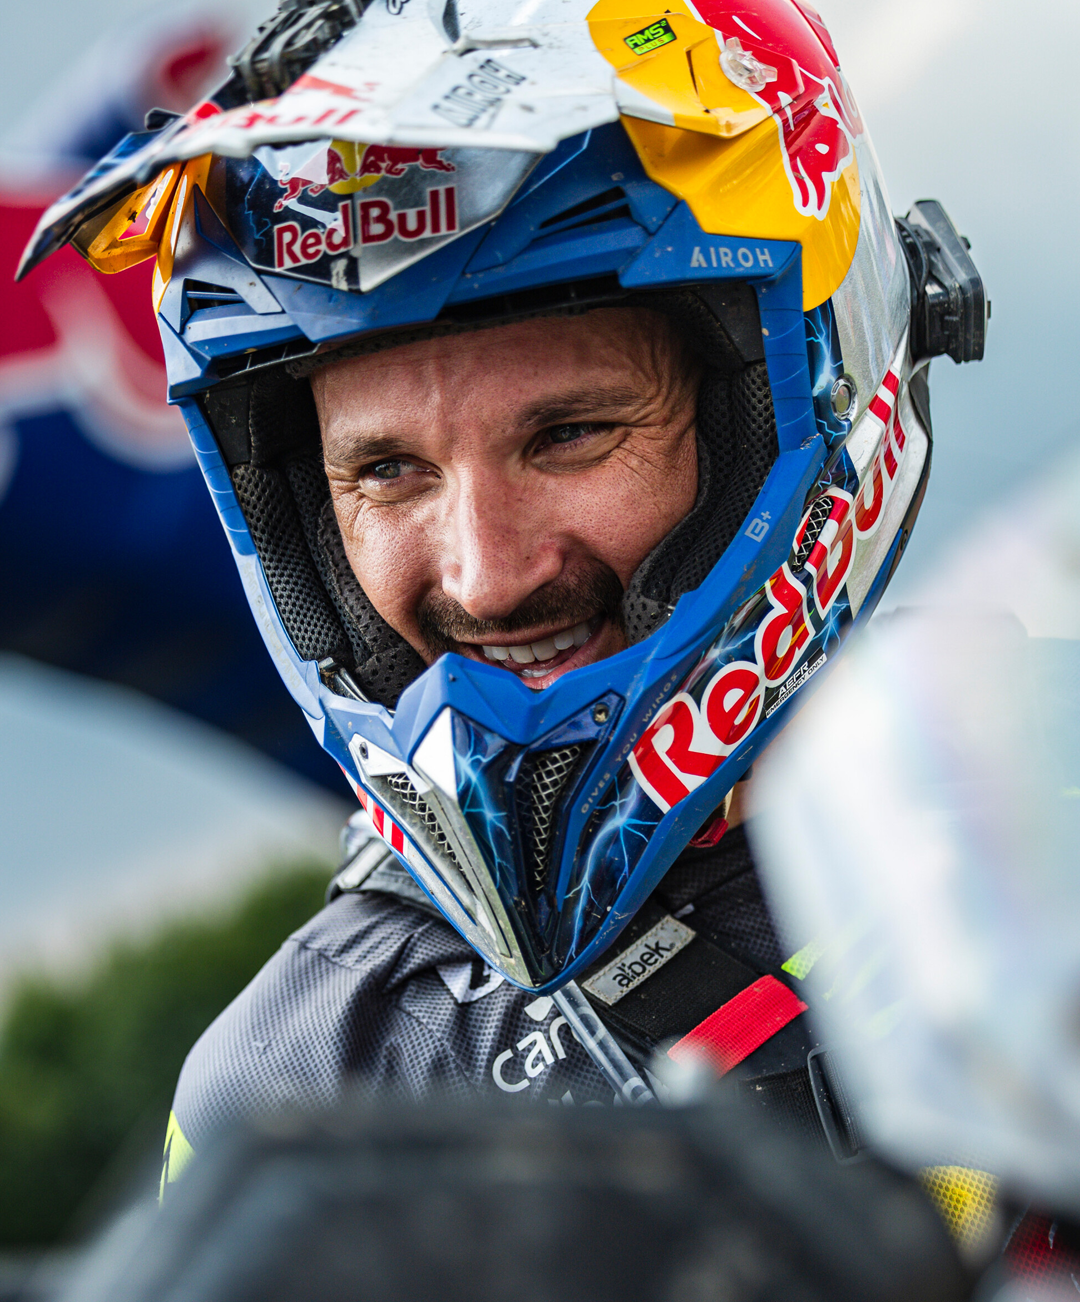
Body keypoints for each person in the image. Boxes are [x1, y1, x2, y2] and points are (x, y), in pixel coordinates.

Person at [18, 0, 987, 1186]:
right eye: (387, 471)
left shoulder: (1030, 828)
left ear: (797, 400)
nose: (485, 575)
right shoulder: (298, 1088)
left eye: (570, 435)